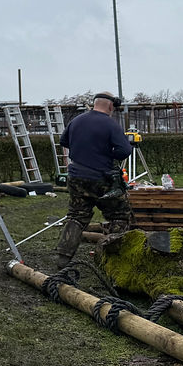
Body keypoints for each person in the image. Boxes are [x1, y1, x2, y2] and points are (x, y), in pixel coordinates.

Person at [55, 91, 133, 269]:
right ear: (111, 106)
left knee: (77, 216)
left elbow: (64, 141)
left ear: (95, 103)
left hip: (76, 176)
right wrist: (106, 153)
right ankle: (114, 257)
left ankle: (63, 257)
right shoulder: (110, 124)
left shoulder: (77, 120)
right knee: (120, 215)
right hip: (101, 178)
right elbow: (124, 150)